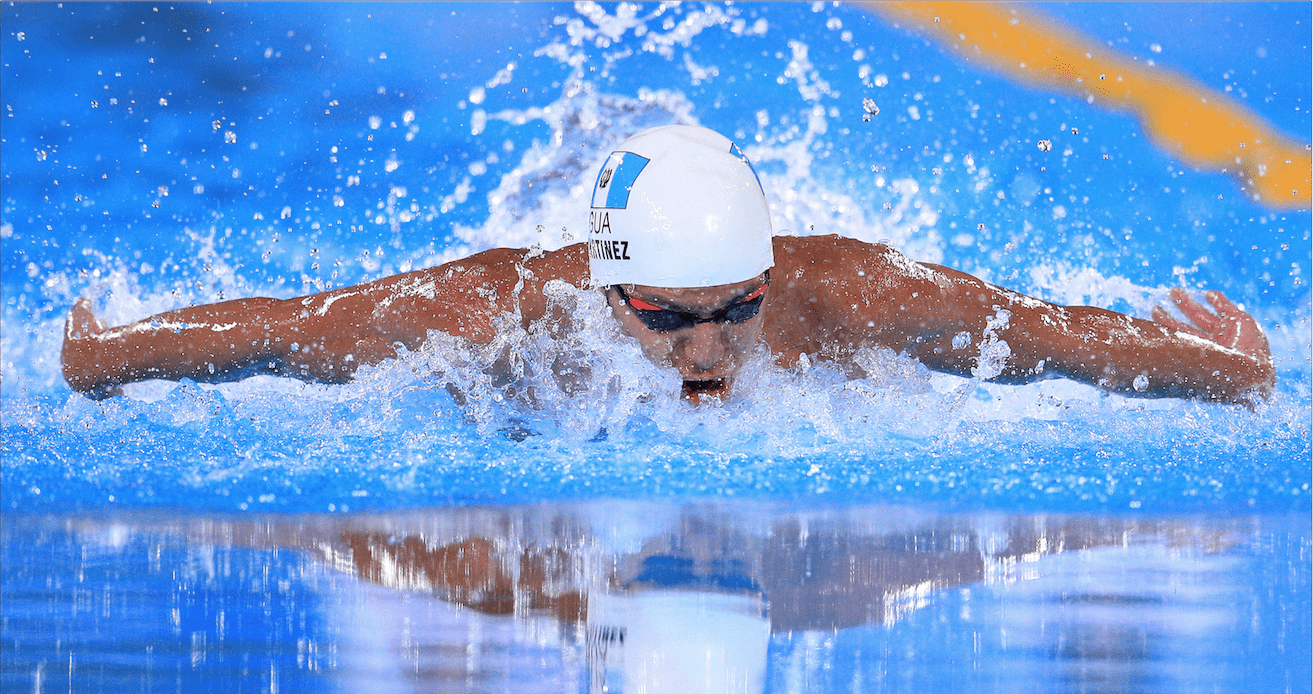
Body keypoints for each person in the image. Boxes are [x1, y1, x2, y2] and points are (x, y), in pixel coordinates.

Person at [61, 125, 1275, 404]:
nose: (707, 354)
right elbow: (287, 328)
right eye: (667, 319)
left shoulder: (848, 294)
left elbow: (1043, 335)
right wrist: (107, 357)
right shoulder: (494, 314)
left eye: (733, 312)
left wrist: (1218, 373)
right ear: (605, 292)